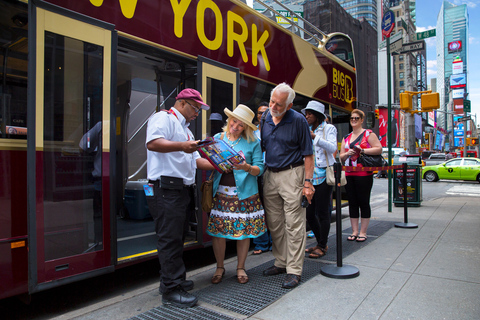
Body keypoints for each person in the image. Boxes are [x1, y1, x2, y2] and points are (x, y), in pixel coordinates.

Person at [145, 88, 214, 308]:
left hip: (181, 191)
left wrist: (221, 165)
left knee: (178, 236)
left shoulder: (187, 132)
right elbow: (153, 143)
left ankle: (174, 281)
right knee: (170, 239)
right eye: (195, 108)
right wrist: (182, 146)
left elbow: (196, 161)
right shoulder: (163, 118)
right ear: (182, 103)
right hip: (165, 190)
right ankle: (171, 290)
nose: (197, 113)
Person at [260, 83, 314, 289]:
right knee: (274, 223)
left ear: (289, 105)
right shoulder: (265, 117)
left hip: (293, 174)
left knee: (294, 224)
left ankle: (294, 270)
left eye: (278, 104)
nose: (273, 106)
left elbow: (308, 154)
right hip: (270, 174)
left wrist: (307, 183)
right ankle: (281, 262)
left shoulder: (298, 121)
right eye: (272, 101)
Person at [206, 104, 266, 285]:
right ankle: (219, 267)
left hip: (245, 195)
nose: (236, 126)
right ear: (229, 120)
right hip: (221, 193)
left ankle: (241, 267)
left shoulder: (253, 142)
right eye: (234, 121)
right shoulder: (218, 138)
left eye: (241, 124)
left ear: (246, 127)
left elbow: (260, 169)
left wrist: (246, 167)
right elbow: (209, 160)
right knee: (218, 233)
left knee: (244, 232)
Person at [339, 109, 382, 243]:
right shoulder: (346, 137)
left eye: (357, 118)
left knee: (363, 202)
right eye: (352, 118)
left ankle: (363, 232)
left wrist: (362, 150)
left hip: (363, 173)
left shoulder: (368, 134)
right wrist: (347, 154)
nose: (354, 120)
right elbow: (341, 156)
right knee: (352, 202)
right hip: (349, 172)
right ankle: (354, 231)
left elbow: (378, 148)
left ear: (362, 120)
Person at [302, 101, 337, 258]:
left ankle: (322, 246)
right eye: (306, 113)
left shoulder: (329, 128)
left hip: (323, 175)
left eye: (310, 113)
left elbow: (332, 148)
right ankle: (320, 241)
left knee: (323, 212)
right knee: (309, 214)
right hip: (309, 176)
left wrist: (315, 137)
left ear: (317, 116)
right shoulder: (306, 129)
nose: (307, 116)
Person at [252, 102, 272, 255]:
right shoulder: (251, 132)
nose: (262, 116)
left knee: (272, 208)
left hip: (271, 171)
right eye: (259, 113)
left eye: (265, 112)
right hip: (255, 173)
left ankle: (274, 241)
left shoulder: (274, 130)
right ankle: (261, 242)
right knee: (257, 208)